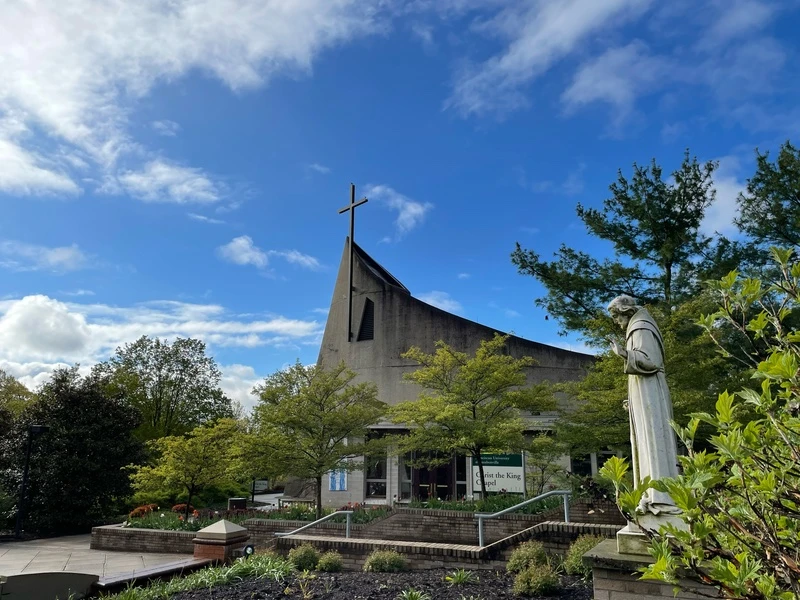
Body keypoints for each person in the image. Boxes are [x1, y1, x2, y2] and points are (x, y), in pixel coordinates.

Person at [608, 295, 680, 516]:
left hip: (650, 394)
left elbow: (651, 362)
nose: (617, 323)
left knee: (653, 441)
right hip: (645, 394)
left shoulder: (640, 327)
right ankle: (650, 495)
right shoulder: (639, 326)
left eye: (617, 317)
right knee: (645, 442)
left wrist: (623, 353)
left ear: (626, 312)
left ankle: (661, 498)